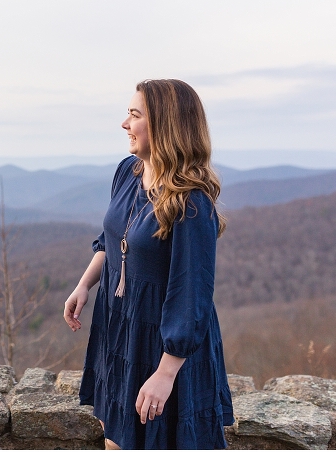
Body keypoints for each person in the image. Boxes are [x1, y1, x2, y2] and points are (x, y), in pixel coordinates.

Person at [63, 79, 234, 450]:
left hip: (163, 342)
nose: (125, 124)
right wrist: (85, 284)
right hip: (120, 327)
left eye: (135, 115)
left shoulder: (192, 203)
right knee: (115, 440)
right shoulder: (128, 172)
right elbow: (112, 240)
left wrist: (165, 372)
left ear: (165, 124)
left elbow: (192, 294)